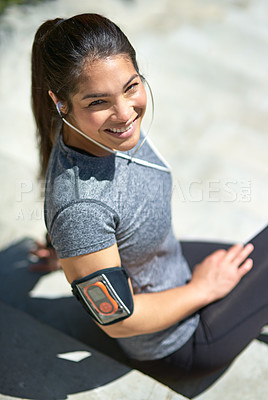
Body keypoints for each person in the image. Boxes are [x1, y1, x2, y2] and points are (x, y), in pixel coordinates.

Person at [31, 13, 268, 395]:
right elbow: (117, 321)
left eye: (131, 87)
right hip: (178, 345)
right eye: (98, 101)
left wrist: (70, 253)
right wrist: (204, 289)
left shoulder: (96, 133)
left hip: (165, 263)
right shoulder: (80, 211)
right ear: (60, 103)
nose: (125, 114)